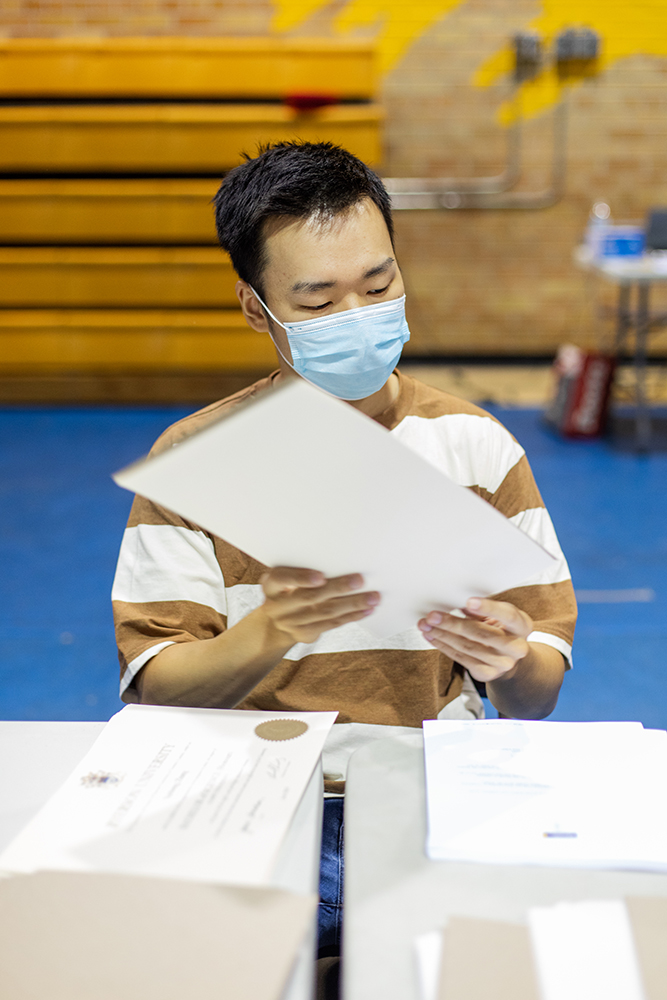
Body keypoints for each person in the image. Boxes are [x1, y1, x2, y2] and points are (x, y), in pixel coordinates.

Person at [112, 141, 577, 959]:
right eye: (317, 299)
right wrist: (267, 633)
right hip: (267, 794)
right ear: (256, 309)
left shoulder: (475, 447)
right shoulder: (200, 462)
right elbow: (154, 685)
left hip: (435, 784)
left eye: (378, 284)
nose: (358, 315)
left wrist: (510, 662)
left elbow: (535, 695)